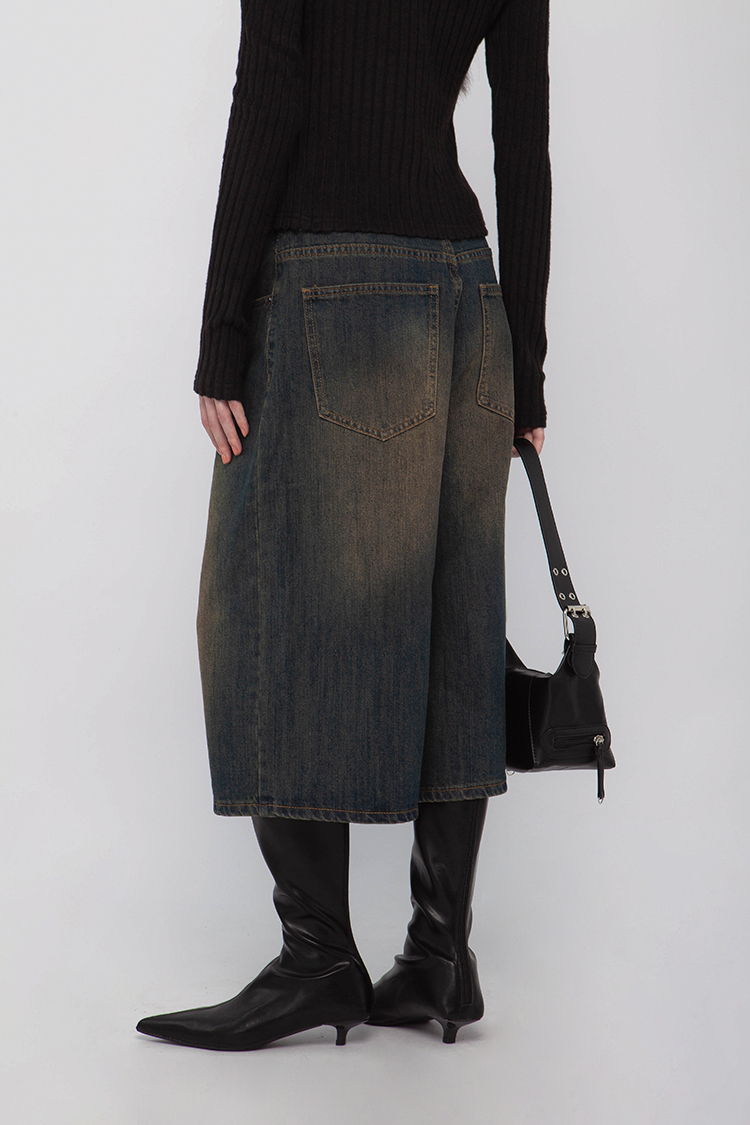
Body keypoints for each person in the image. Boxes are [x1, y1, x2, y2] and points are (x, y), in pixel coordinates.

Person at [136, 0, 550, 1050]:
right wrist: (526, 368)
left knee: (260, 608)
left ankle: (318, 955)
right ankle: (439, 954)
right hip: (470, 300)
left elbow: (270, 90)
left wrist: (223, 326)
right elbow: (524, 138)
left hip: (333, 286)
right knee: (455, 626)